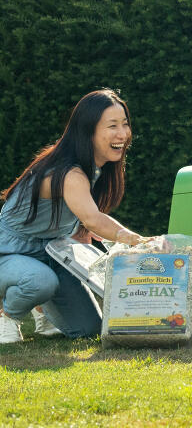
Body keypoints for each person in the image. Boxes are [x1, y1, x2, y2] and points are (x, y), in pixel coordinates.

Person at [0, 89, 150, 344]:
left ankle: (41, 309)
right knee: (40, 280)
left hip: (50, 251)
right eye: (112, 126)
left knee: (88, 328)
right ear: (88, 131)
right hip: (9, 251)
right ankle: (7, 316)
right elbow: (93, 219)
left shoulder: (95, 170)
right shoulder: (68, 172)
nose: (123, 134)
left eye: (125, 124)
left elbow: (82, 221)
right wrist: (132, 239)